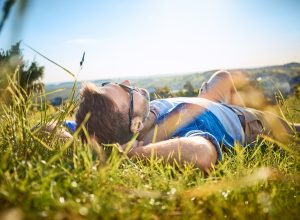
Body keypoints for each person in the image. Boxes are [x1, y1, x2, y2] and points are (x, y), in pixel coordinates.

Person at [74, 70, 299, 172]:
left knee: (222, 76)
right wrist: (126, 153)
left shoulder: (119, 121)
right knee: (292, 130)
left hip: (206, 102)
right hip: (246, 121)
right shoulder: (178, 130)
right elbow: (201, 155)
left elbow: (47, 127)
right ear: (136, 126)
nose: (127, 81)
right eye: (126, 90)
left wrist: (82, 142)